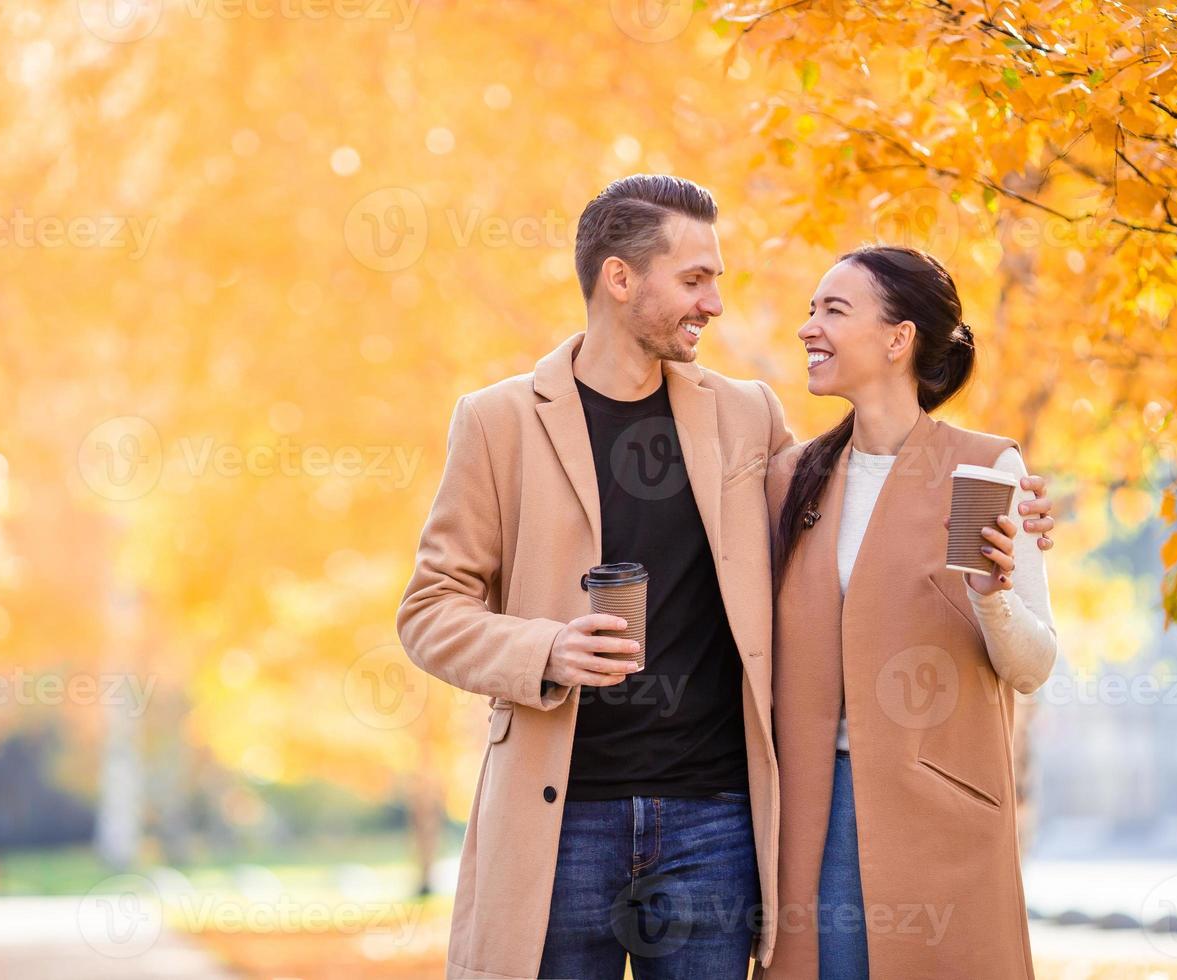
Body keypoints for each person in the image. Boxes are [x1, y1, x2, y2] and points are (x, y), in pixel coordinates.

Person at [396, 177, 1055, 979]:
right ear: (621, 279)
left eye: (718, 280)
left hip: (715, 822)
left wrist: (1011, 521)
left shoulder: (745, 417)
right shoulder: (498, 422)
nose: (715, 304)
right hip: (562, 813)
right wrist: (545, 650)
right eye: (695, 279)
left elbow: (873, 510)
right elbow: (430, 611)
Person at [762, 245, 1058, 979]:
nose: (808, 328)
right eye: (809, 309)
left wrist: (992, 598)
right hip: (812, 818)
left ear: (898, 340)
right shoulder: (788, 480)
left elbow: (1033, 665)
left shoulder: (987, 467)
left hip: (942, 824)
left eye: (833, 310)